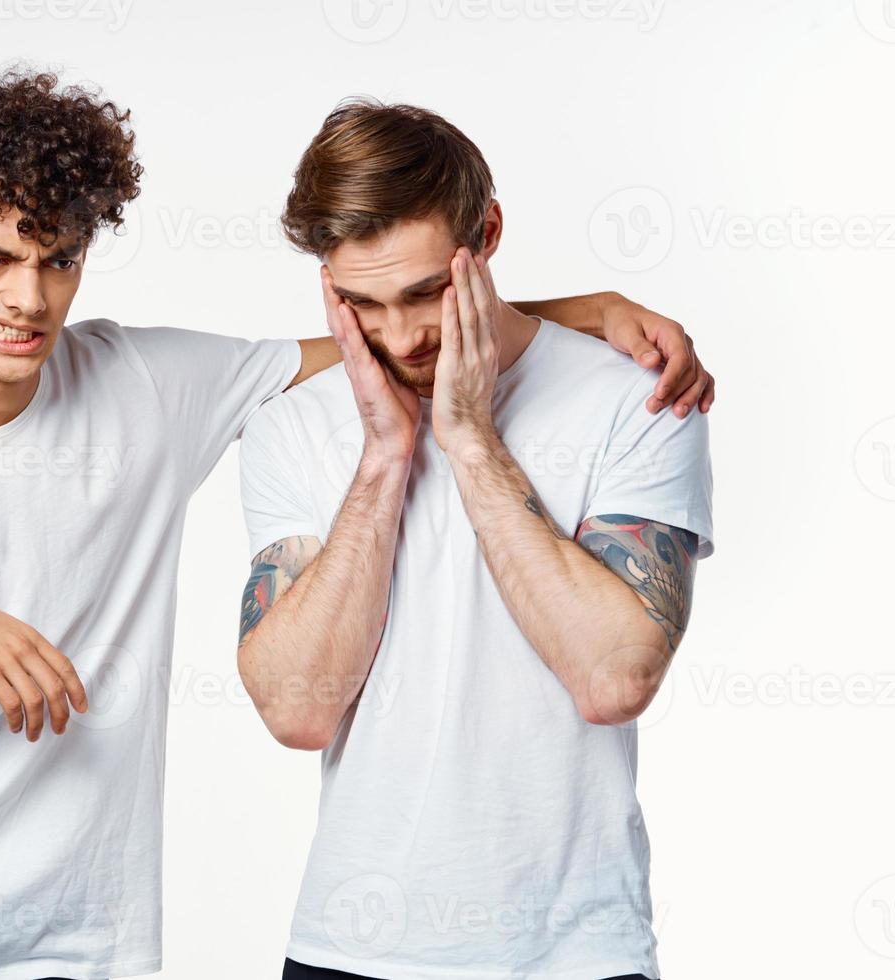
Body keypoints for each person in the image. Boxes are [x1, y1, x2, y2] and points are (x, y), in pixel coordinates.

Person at [0, 68, 712, 980]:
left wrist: (580, 306)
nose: (27, 297)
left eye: (58, 260)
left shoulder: (144, 387)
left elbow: (378, 339)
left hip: (74, 950)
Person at [237, 99, 715, 980]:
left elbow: (615, 677)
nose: (403, 334)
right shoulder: (291, 426)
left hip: (574, 952)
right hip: (348, 947)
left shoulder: (636, 397)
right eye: (362, 303)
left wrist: (470, 441)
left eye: (426, 291)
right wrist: (386, 457)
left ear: (487, 231)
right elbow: (297, 709)